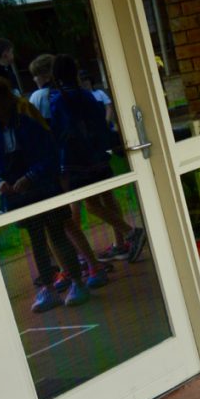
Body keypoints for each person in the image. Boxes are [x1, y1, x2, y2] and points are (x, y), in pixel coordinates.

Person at [0, 76, 89, 311]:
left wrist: (31, 177)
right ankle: (48, 287)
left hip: (43, 189)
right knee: (36, 239)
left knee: (57, 234)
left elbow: (50, 156)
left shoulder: (28, 122)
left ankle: (78, 282)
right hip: (18, 195)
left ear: (3, 99)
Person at [49, 54, 146, 265]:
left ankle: (131, 233)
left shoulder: (58, 100)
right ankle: (121, 243)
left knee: (92, 205)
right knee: (108, 199)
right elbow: (100, 123)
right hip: (98, 156)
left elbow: (59, 133)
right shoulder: (88, 95)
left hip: (78, 162)